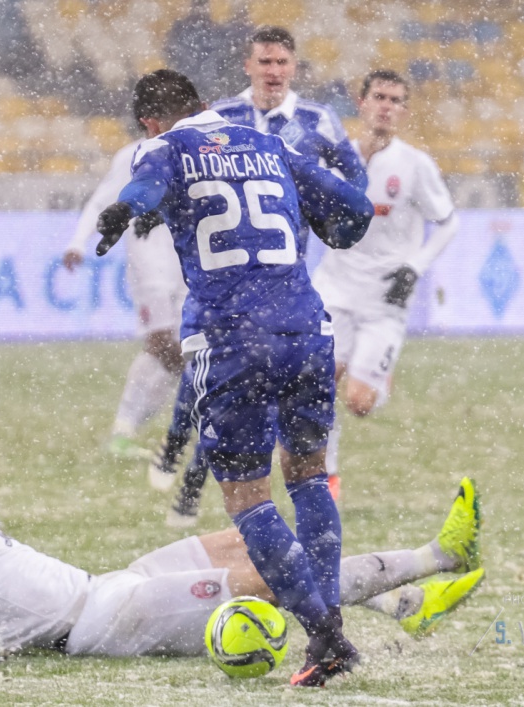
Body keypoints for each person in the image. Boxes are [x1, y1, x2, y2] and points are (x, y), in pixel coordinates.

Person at [94, 69, 376, 686]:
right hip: (305, 328)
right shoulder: (271, 145)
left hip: (232, 338)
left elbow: (143, 185)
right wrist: (330, 228)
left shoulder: (164, 147)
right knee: (309, 476)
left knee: (248, 498)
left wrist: (125, 210)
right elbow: (355, 209)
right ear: (205, 104)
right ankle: (330, 624)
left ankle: (326, 636)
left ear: (148, 122)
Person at [0, 427, 484, 667]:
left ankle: (401, 605)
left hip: (109, 586)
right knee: (270, 577)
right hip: (104, 624)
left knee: (249, 538)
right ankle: (437, 558)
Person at [150, 25, 368, 518]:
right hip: (222, 275)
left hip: (282, 278)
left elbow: (355, 175)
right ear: (248, 65)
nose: (273, 71)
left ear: (294, 68)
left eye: (281, 63)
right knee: (205, 373)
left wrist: (324, 207)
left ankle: (192, 481)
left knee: (242, 390)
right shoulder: (222, 116)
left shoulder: (318, 120)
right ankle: (178, 448)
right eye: (264, 62)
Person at [312, 69, 460, 483]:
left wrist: (414, 268)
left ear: (404, 112)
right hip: (334, 289)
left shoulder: (414, 165)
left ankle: (376, 377)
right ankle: (328, 476)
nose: (386, 107)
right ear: (361, 103)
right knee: (318, 385)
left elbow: (448, 223)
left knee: (359, 403)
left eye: (396, 101)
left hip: (384, 298)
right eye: (379, 97)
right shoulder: (334, 159)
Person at [62, 139, 188, 461]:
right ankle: (130, 430)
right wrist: (78, 242)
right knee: (163, 346)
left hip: (188, 266)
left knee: (182, 351)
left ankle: (127, 432)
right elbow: (101, 202)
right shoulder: (134, 155)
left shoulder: (193, 146)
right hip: (150, 266)